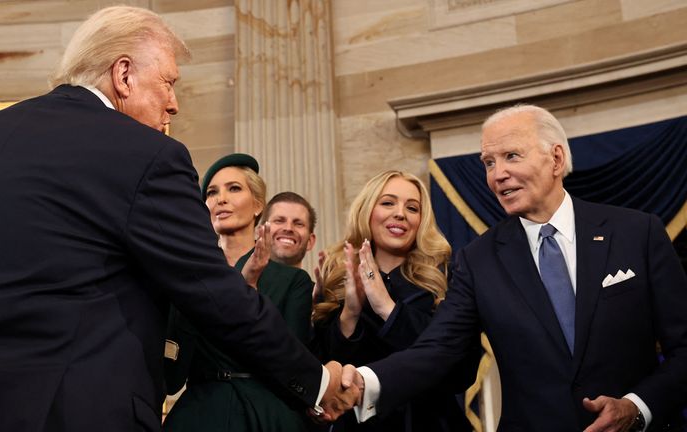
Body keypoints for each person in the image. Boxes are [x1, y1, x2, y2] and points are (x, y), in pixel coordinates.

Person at [0, 6, 356, 431]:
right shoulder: (145, 155)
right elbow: (214, 293)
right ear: (123, 74)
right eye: (168, 82)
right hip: (65, 412)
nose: (174, 104)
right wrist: (319, 385)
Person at [341, 104, 687, 432]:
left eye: (511, 156)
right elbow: (438, 349)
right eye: (488, 163)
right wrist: (363, 382)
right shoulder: (477, 260)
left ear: (555, 158)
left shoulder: (636, 233)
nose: (498, 175)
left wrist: (636, 407)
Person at [311, 170, 477, 432]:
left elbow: (461, 372)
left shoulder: (448, 277)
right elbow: (323, 374)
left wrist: (388, 308)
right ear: (367, 210)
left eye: (412, 207)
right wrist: (350, 314)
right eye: (388, 202)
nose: (400, 213)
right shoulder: (336, 279)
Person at [163, 154, 314, 431]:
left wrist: (248, 291)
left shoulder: (293, 281)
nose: (221, 198)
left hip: (268, 415)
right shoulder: (187, 279)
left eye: (234, 188)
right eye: (212, 192)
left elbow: (292, 366)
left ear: (258, 205)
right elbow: (171, 378)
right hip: (199, 413)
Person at [260, 191, 317, 269]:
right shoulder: (241, 280)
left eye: (298, 224)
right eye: (279, 221)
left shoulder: (321, 282)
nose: (288, 228)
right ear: (261, 232)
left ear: (310, 241)